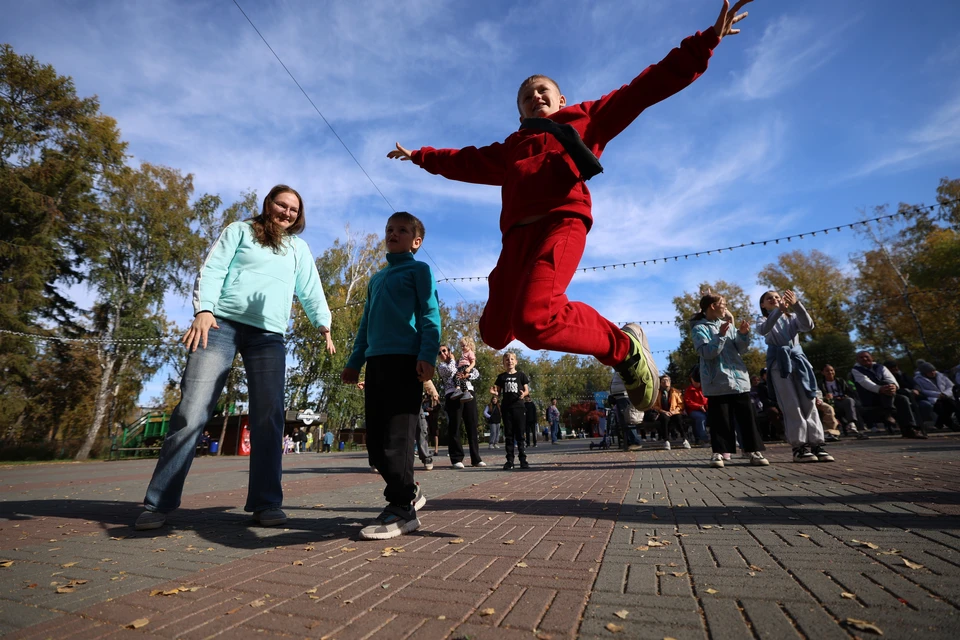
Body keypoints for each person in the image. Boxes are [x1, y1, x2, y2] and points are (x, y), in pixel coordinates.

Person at [385, 2, 756, 414]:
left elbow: (644, 89)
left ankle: (624, 347)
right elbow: (464, 160)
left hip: (561, 223)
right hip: (517, 240)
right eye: (527, 97)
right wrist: (421, 155)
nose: (535, 97)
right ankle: (572, 326)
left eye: (543, 91)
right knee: (493, 331)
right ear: (520, 112)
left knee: (534, 320)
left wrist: (704, 43)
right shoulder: (511, 148)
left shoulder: (585, 118)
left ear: (560, 99)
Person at [135, 185, 335, 531]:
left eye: (293, 209)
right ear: (268, 204)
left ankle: (266, 502)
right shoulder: (239, 231)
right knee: (192, 411)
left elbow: (310, 288)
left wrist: (324, 324)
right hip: (220, 325)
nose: (286, 213)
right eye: (281, 205)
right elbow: (212, 270)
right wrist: (204, 310)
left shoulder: (298, 249)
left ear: (298, 216)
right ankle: (158, 504)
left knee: (269, 418)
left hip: (268, 336)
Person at [342, 211, 440, 540]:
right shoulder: (375, 279)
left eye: (401, 230)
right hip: (376, 364)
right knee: (375, 447)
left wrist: (427, 355)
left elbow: (430, 314)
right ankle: (408, 490)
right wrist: (355, 361)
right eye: (388, 229)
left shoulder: (420, 270)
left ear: (416, 241)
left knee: (398, 439)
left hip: (406, 362)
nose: (392, 234)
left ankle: (402, 509)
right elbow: (365, 325)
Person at [691, 293, 769, 469]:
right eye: (723, 304)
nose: (725, 307)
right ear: (712, 306)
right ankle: (718, 452)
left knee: (747, 418)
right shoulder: (699, 329)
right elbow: (706, 353)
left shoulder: (727, 325)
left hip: (739, 380)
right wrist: (719, 336)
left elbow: (740, 349)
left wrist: (742, 335)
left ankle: (753, 451)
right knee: (721, 420)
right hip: (717, 381)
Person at [756, 290, 833, 463]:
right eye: (769, 299)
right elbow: (763, 330)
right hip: (779, 365)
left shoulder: (792, 317)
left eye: (777, 297)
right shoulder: (763, 319)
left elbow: (808, 325)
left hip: (799, 362)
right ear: (763, 305)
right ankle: (799, 446)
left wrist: (797, 305)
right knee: (791, 405)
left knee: (809, 401)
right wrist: (777, 311)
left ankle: (816, 443)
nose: (774, 299)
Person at [851, 351, 926, 439]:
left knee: (903, 399)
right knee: (886, 385)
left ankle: (909, 429)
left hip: (889, 394)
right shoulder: (856, 370)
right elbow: (865, 382)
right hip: (871, 397)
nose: (864, 359)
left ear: (872, 358)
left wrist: (893, 386)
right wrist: (880, 389)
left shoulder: (881, 367)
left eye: (866, 356)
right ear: (857, 360)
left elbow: (890, 378)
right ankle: (889, 410)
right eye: (861, 357)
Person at [437, 345, 486, 469]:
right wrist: (453, 360)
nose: (442, 353)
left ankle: (476, 458)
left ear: (449, 351)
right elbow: (451, 372)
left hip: (468, 392)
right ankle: (456, 458)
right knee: (455, 426)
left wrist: (467, 375)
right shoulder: (441, 366)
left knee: (472, 425)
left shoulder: (462, 361)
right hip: (453, 395)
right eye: (439, 353)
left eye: (444, 350)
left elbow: (476, 372)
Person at [493, 352, 531, 470]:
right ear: (504, 363)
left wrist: (523, 394)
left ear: (516, 361)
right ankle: (509, 460)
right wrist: (495, 394)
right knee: (509, 435)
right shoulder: (501, 377)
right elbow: (498, 393)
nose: (509, 361)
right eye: (507, 359)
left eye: (512, 359)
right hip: (507, 408)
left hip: (519, 407)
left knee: (520, 434)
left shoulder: (521, 375)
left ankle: (523, 459)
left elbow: (526, 390)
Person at [820, 364, 867, 439]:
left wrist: (844, 396)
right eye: (827, 371)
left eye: (832, 370)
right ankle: (834, 430)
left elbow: (849, 392)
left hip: (842, 400)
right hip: (830, 402)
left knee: (850, 401)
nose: (830, 372)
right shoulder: (821, 384)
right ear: (822, 372)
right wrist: (826, 397)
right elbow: (819, 395)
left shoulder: (840, 381)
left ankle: (851, 423)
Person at [644, 374, 689, 450]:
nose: (666, 382)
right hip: (663, 413)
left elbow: (681, 405)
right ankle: (666, 440)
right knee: (664, 418)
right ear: (660, 383)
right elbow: (654, 405)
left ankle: (685, 439)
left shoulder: (676, 392)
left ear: (670, 382)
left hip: (674, 412)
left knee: (678, 418)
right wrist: (663, 411)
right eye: (663, 380)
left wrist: (674, 411)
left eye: (667, 380)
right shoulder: (657, 393)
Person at [913, 360, 958, 430]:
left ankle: (939, 424)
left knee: (952, 404)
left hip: (946, 396)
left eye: (933, 370)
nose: (932, 373)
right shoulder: (918, 379)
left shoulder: (941, 376)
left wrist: (945, 394)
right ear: (924, 373)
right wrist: (938, 395)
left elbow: (951, 386)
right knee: (940, 407)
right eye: (930, 372)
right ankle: (950, 424)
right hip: (933, 398)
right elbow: (922, 390)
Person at [682, 371, 708, 446]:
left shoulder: (704, 388)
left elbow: (707, 399)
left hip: (705, 409)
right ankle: (703, 439)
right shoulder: (689, 390)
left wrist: (706, 405)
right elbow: (688, 402)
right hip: (694, 410)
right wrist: (699, 406)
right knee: (701, 418)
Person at [450, 337, 477, 402]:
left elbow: (473, 362)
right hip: (460, 367)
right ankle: (466, 392)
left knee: (456, 377)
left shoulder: (470, 352)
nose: (462, 348)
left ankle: (458, 389)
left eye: (464, 346)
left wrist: (469, 368)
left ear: (469, 345)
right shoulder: (463, 354)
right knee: (462, 379)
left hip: (465, 367)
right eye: (461, 346)